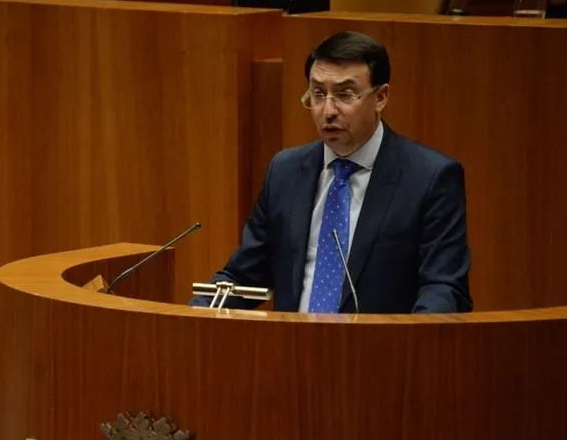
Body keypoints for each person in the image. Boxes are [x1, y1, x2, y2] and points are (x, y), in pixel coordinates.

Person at [193, 31, 471, 314]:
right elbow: (243, 276)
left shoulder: (429, 178)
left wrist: (409, 347)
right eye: (318, 94)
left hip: (381, 351)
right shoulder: (286, 171)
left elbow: (443, 288)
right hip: (291, 349)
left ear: (381, 97)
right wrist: (194, 316)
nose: (328, 110)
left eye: (344, 95)